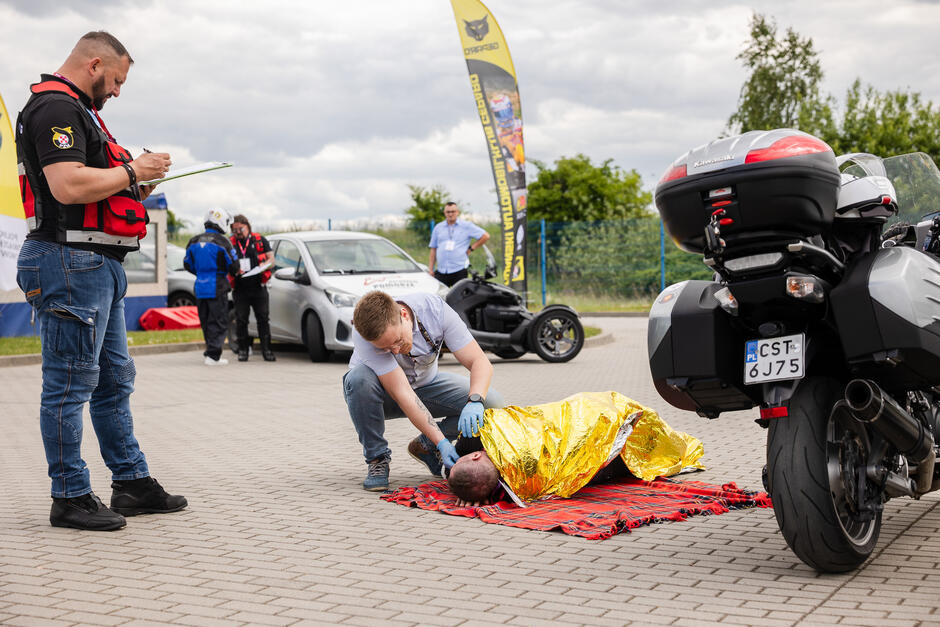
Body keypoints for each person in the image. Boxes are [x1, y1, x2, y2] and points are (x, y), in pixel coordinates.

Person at [14, 31, 186, 531]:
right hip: (68, 260)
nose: (116, 91)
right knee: (70, 385)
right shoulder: (55, 108)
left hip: (92, 262)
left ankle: (131, 482)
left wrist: (136, 183)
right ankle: (69, 496)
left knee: (113, 380)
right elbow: (67, 184)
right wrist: (132, 170)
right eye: (116, 80)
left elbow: (90, 186)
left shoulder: (80, 112)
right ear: (94, 64)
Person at [343, 290, 505, 491]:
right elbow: (403, 393)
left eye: (397, 341)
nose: (395, 351)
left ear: (404, 315)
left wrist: (475, 400)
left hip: (426, 386)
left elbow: (479, 361)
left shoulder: (435, 311)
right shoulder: (364, 334)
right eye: (386, 349)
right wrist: (442, 442)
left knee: (492, 404)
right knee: (358, 379)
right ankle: (377, 459)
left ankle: (426, 446)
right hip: (381, 396)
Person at [446, 391, 705, 506]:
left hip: (592, 440)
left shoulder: (520, 489)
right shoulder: (476, 435)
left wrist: (475, 491)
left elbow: (472, 478)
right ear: (475, 455)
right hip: (594, 422)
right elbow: (459, 469)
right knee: (620, 425)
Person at [184, 208, 239, 365]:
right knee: (219, 321)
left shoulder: (193, 241)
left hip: (200, 286)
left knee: (206, 321)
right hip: (217, 285)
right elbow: (234, 266)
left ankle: (211, 353)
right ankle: (213, 356)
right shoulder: (223, 242)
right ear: (220, 221)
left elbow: (187, 264)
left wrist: (201, 273)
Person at [228, 214, 275, 362]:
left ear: (248, 227)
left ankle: (267, 350)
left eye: (241, 229)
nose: (238, 232)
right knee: (241, 320)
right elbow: (225, 262)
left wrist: (264, 266)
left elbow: (272, 260)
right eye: (235, 230)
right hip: (240, 288)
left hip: (258, 286)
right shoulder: (230, 244)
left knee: (263, 319)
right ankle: (243, 350)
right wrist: (234, 269)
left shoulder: (260, 240)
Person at [427, 202, 490, 287]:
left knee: (459, 295)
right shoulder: (438, 228)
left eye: (453, 211)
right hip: (441, 271)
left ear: (457, 212)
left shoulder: (467, 226)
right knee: (440, 294)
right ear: (444, 213)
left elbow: (485, 236)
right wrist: (431, 269)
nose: (450, 214)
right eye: (448, 212)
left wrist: (471, 248)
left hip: (459, 270)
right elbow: (433, 249)